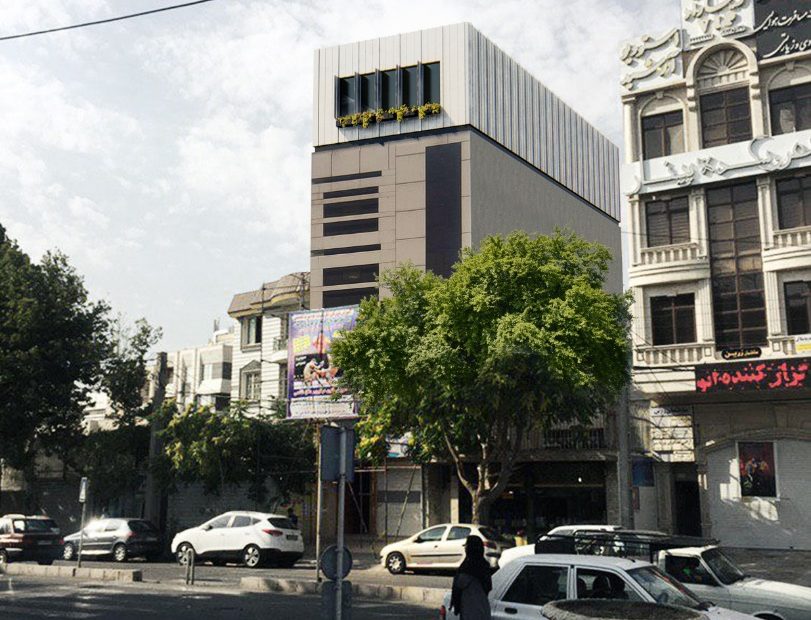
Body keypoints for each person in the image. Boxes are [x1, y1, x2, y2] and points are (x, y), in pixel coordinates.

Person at [449, 536, 492, 620]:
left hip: (470, 610)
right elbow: (488, 587)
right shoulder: (484, 565)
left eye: (466, 546)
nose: (465, 549)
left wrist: (456, 605)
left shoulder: (467, 568)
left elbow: (458, 588)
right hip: (483, 609)